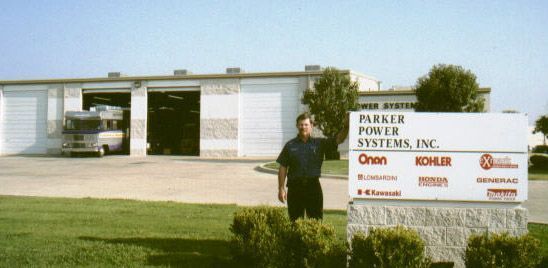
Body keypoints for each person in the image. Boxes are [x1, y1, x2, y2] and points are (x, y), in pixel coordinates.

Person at [276, 112, 349, 221]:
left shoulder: (319, 143)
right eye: (301, 125)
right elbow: (283, 167)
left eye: (306, 125)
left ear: (311, 126)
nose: (303, 127)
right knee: (295, 222)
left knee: (316, 222)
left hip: (313, 187)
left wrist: (346, 126)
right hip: (295, 188)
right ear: (297, 126)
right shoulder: (290, 145)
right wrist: (281, 188)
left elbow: (339, 139)